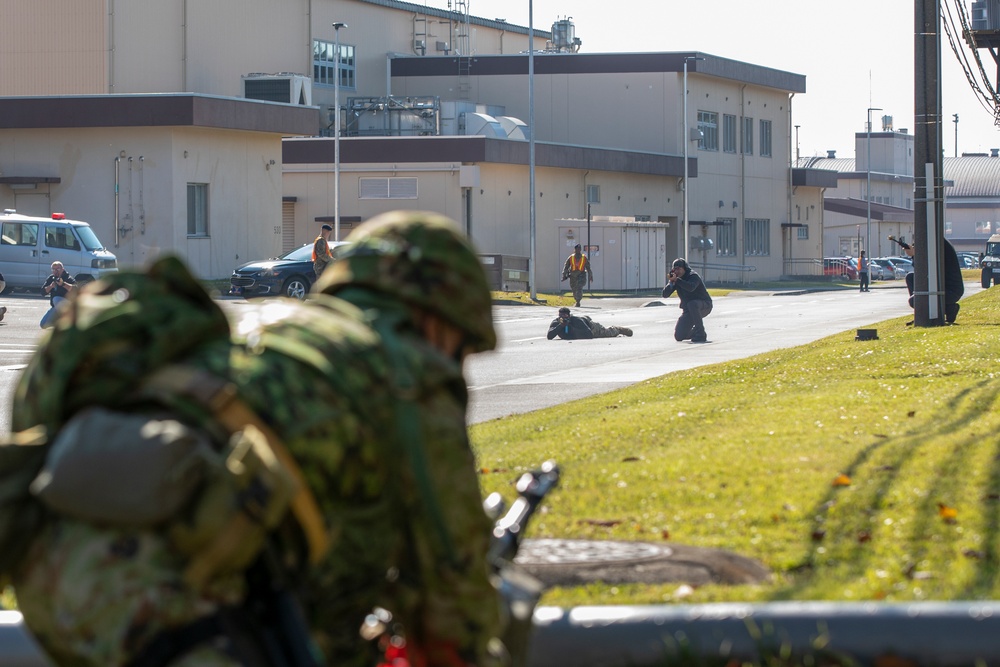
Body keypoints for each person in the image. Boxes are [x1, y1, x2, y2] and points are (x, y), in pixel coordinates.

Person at [9, 211, 506, 667]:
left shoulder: (260, 326)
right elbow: (453, 592)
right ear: (439, 317)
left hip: (52, 572)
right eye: (460, 347)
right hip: (181, 614)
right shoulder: (408, 376)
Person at [903, 238, 964, 324]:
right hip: (939, 285)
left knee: (914, 301)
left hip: (950, 291)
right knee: (910, 277)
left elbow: (923, 269)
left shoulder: (935, 244)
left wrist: (914, 255)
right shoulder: (934, 241)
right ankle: (948, 308)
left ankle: (947, 309)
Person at [662, 258, 713, 343]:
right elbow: (665, 295)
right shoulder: (676, 279)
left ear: (684, 268)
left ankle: (701, 333)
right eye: (675, 269)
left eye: (679, 269)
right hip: (689, 310)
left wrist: (677, 280)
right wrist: (670, 283)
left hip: (704, 305)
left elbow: (691, 287)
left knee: (692, 304)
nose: (677, 271)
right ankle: (695, 332)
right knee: (679, 336)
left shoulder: (693, 276)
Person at [547, 306, 632, 340]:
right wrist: (561, 326)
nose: (562, 318)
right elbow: (549, 336)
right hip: (579, 330)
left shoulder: (576, 321)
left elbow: (589, 335)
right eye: (560, 316)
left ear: (569, 316)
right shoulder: (556, 322)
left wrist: (572, 328)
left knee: (608, 333)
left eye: (565, 317)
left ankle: (618, 329)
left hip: (591, 327)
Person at [39, 260, 76, 328]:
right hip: (55, 308)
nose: (55, 271)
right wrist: (51, 286)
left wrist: (63, 284)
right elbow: (42, 292)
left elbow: (76, 290)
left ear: (62, 269)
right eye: (53, 269)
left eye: (58, 269)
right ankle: (59, 323)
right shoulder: (51, 278)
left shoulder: (68, 278)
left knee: (56, 298)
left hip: (67, 307)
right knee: (43, 324)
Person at [561, 243, 593, 307]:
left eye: (579, 249)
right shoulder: (571, 257)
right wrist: (564, 275)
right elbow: (566, 267)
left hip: (581, 275)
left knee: (579, 287)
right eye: (577, 249)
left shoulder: (584, 258)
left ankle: (578, 301)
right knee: (574, 288)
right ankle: (576, 299)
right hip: (573, 276)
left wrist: (590, 276)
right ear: (574, 250)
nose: (578, 250)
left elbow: (588, 268)